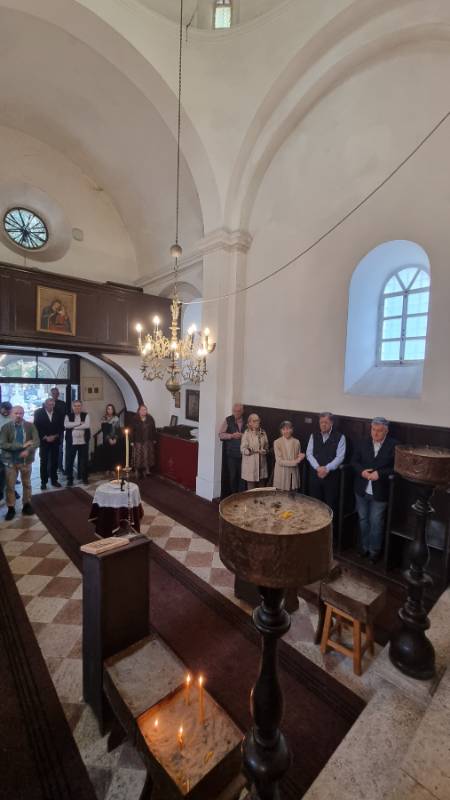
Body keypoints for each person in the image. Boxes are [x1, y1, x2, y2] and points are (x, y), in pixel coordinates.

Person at [352, 417, 397, 563]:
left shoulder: (394, 445)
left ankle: (374, 552)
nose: (375, 433)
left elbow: (397, 468)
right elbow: (354, 462)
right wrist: (362, 472)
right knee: (363, 520)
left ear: (386, 431)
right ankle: (364, 548)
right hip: (362, 489)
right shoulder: (363, 442)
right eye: (373, 429)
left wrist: (380, 474)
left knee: (376, 523)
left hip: (380, 491)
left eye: (379, 431)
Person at [306, 412, 346, 533]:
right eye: (321, 422)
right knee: (315, 504)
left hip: (331, 478)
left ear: (331, 423)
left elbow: (340, 457)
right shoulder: (313, 435)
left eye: (326, 422)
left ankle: (328, 534)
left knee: (330, 506)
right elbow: (309, 454)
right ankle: (314, 532)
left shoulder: (340, 437)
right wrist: (318, 468)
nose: (323, 425)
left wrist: (327, 468)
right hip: (315, 476)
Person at [0, 405, 39, 520]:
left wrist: (28, 450)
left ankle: (26, 504)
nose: (18, 415)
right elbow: (3, 444)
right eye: (16, 413)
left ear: (23, 414)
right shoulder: (6, 427)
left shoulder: (30, 426)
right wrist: (21, 446)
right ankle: (11, 508)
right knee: (10, 486)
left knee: (27, 484)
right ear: (11, 414)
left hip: (26, 461)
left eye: (21, 413)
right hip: (10, 462)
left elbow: (36, 442)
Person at [34, 398, 63, 490]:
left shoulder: (58, 413)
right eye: (49, 404)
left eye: (52, 404)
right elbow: (36, 426)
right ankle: (44, 482)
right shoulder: (38, 412)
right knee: (44, 462)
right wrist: (45, 437)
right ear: (45, 404)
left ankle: (54, 480)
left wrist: (55, 436)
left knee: (54, 461)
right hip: (44, 441)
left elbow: (61, 427)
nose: (51, 406)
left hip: (55, 440)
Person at [219, 403, 245, 495]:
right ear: (232, 411)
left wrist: (243, 435)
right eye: (235, 411)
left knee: (243, 478)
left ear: (242, 411)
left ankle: (241, 497)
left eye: (239, 411)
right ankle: (233, 496)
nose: (236, 413)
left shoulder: (247, 420)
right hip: (232, 454)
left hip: (244, 455)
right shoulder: (228, 420)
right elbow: (221, 435)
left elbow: (252, 434)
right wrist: (231, 436)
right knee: (233, 477)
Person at [65, 400, 91, 486]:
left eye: (79, 406)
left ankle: (84, 478)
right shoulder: (68, 415)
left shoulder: (86, 415)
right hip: (71, 442)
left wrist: (74, 427)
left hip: (83, 442)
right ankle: (70, 479)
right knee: (70, 461)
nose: (77, 407)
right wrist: (79, 423)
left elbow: (86, 425)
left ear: (81, 406)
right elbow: (66, 425)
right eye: (75, 406)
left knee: (84, 461)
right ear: (72, 407)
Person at [273, 420, 304, 491]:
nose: (286, 431)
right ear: (281, 431)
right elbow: (279, 461)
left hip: (293, 474)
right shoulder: (277, 442)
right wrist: (295, 462)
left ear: (292, 430)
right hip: (281, 474)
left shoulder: (297, 442)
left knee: (293, 495)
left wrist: (301, 457)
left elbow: (298, 457)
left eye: (288, 429)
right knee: (281, 495)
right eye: (283, 429)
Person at [240, 413, 269, 489]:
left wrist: (265, 450)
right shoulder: (246, 433)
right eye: (254, 421)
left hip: (261, 463)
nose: (257, 422)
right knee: (251, 489)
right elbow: (242, 449)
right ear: (250, 423)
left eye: (258, 420)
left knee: (261, 487)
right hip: (250, 464)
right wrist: (250, 451)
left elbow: (267, 446)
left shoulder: (263, 432)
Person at [131, 404, 157, 479]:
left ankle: (147, 470)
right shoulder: (135, 419)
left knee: (147, 455)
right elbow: (132, 431)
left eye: (145, 409)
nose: (143, 411)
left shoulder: (150, 418)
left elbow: (153, 429)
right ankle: (137, 470)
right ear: (139, 411)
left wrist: (154, 439)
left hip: (148, 440)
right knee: (138, 456)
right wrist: (132, 441)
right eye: (142, 410)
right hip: (138, 440)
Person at [100, 403, 122, 472]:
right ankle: (107, 469)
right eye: (108, 409)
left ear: (113, 410)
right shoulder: (104, 418)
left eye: (111, 409)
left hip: (115, 439)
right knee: (107, 455)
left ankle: (113, 469)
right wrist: (109, 439)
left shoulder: (116, 418)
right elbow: (104, 430)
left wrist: (115, 438)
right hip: (107, 440)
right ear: (107, 410)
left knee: (114, 455)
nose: (110, 410)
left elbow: (118, 430)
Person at [50, 387, 66, 473]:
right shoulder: (47, 403)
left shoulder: (62, 404)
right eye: (53, 393)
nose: (55, 395)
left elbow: (65, 415)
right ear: (51, 394)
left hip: (60, 430)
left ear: (58, 394)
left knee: (60, 449)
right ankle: (50, 469)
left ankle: (60, 467)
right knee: (50, 450)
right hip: (49, 430)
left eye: (56, 393)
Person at [0, 402, 13, 505]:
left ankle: (11, 492)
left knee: (8, 473)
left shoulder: (12, 418)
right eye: (5, 410)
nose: (6, 412)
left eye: (8, 411)